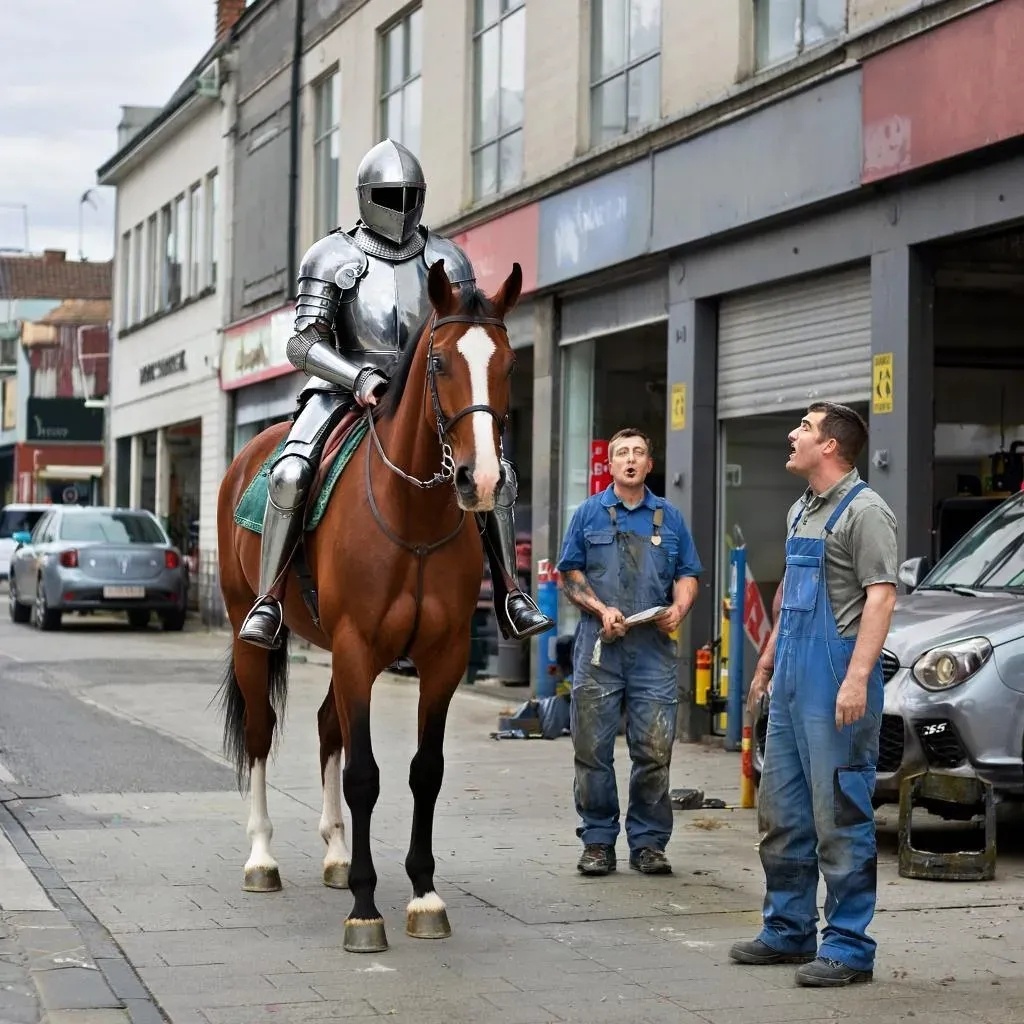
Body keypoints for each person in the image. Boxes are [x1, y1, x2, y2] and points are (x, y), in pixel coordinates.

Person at [238, 138, 553, 649]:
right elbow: (302, 342)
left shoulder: (447, 255)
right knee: (292, 471)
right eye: (389, 195)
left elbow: (466, 328)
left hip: (428, 391)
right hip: (343, 390)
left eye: (410, 195)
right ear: (366, 196)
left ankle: (510, 595)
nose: (401, 207)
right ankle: (269, 599)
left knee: (498, 475)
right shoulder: (331, 254)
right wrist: (357, 377)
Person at [729, 402, 898, 988]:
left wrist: (856, 678)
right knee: (783, 812)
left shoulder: (866, 511)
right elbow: (790, 599)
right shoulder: (801, 508)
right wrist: (768, 660)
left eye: (805, 427)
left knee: (840, 812)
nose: (793, 434)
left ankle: (849, 945)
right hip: (793, 675)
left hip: (836, 681)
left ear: (830, 447)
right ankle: (788, 929)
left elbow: (880, 598)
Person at [556, 428, 702, 876]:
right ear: (612, 465)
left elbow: (688, 573)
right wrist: (601, 609)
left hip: (654, 651)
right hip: (600, 649)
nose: (631, 460)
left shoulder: (670, 518)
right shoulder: (588, 514)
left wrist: (680, 607)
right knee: (592, 749)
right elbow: (569, 574)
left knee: (655, 749)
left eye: (639, 452)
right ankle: (598, 840)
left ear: (649, 464)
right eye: (623, 453)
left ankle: (648, 843)